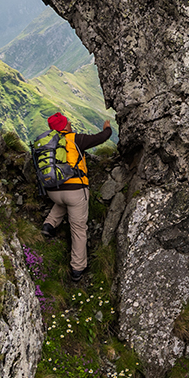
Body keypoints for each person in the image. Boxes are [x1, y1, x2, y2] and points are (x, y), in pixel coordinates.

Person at [39, 111, 112, 281]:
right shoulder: (75, 139)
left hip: (53, 191)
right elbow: (100, 138)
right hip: (75, 191)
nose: (70, 123)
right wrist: (107, 129)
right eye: (67, 122)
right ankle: (77, 269)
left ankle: (49, 225)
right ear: (64, 126)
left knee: (64, 201)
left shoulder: (48, 143)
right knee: (78, 229)